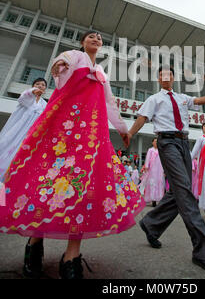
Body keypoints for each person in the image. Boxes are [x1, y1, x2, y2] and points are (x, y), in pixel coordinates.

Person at [0, 31, 145, 279]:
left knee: (84, 187)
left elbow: (109, 103)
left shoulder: (101, 73)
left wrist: (122, 129)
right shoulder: (75, 56)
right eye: (91, 36)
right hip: (63, 130)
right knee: (49, 180)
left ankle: (72, 256)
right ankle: (34, 244)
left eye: (99, 38)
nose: (96, 39)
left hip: (91, 134)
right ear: (82, 42)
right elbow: (60, 64)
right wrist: (59, 64)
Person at [127, 66, 205, 275]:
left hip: (184, 143)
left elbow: (198, 101)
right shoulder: (154, 99)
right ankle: (203, 251)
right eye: (162, 75)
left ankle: (151, 224)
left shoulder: (182, 97)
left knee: (178, 192)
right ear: (158, 79)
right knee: (184, 192)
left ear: (173, 78)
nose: (165, 78)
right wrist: (129, 135)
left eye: (169, 75)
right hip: (167, 143)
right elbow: (142, 118)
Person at [0, 78, 47, 182]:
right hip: (17, 129)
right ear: (33, 86)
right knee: (6, 144)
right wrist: (33, 92)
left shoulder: (44, 105)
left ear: (45, 88)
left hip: (29, 133)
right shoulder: (27, 97)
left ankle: (9, 177)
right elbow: (23, 97)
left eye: (43, 85)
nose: (40, 86)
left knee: (19, 152)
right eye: (37, 84)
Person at [143, 138, 165, 207]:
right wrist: (146, 166)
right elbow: (147, 158)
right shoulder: (150, 150)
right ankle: (152, 199)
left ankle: (158, 198)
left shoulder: (161, 150)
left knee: (159, 182)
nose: (156, 143)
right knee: (152, 183)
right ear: (152, 142)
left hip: (159, 169)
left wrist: (164, 169)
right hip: (152, 169)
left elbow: (163, 160)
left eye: (157, 141)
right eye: (155, 141)